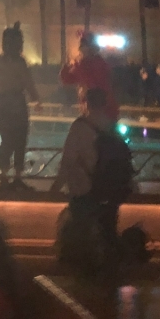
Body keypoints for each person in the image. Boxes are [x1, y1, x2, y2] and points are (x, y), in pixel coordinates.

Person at [50, 87, 128, 275]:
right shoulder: (112, 126)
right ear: (105, 103)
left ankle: (84, 270)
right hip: (109, 189)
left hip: (84, 189)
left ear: (86, 103)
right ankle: (109, 271)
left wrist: (56, 186)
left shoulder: (79, 126)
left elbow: (68, 160)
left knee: (81, 229)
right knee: (108, 230)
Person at [0, 23, 40, 191]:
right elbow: (27, 81)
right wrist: (36, 99)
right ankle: (17, 176)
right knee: (19, 138)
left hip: (0, 102)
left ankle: (4, 174)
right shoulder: (19, 62)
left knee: (7, 139)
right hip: (15, 103)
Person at [60, 31, 119, 120]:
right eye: (81, 46)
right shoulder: (80, 64)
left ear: (92, 48)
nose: (82, 49)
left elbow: (96, 85)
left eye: (85, 46)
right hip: (89, 108)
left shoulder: (99, 64)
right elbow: (67, 80)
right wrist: (65, 68)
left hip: (102, 109)